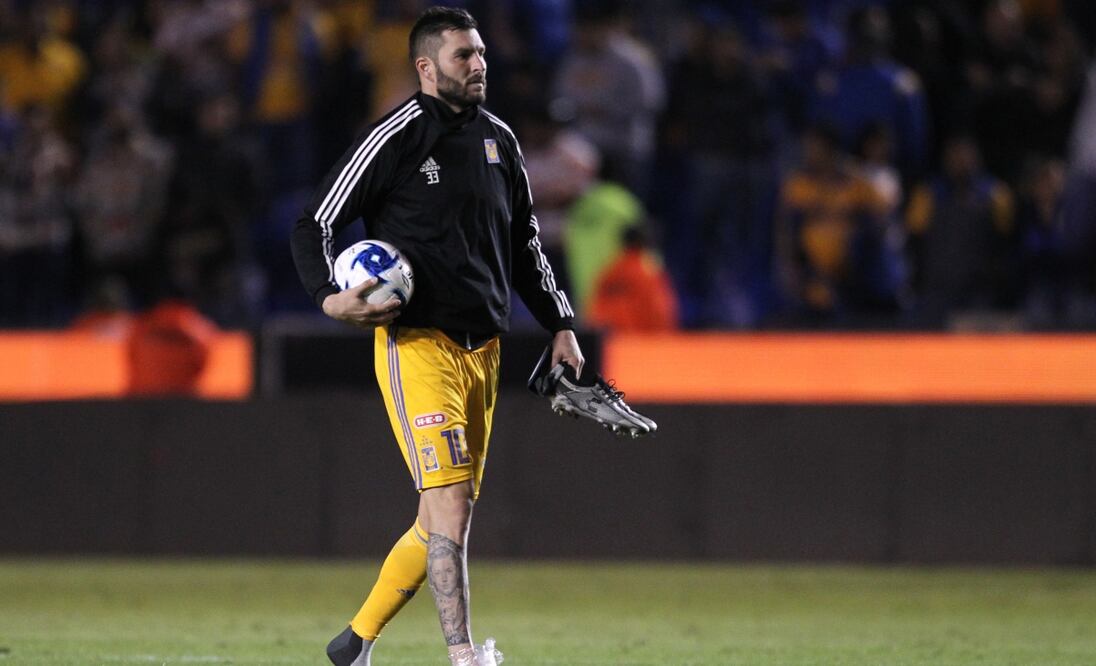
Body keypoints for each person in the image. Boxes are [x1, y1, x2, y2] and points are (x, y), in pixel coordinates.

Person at [290, 8, 582, 666]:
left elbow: (525, 244)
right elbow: (315, 223)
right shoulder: (397, 136)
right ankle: (463, 655)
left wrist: (560, 321)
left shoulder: (500, 141)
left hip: (486, 349)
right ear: (426, 68)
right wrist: (327, 298)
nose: (479, 66)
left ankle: (353, 643)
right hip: (417, 343)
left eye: (481, 54)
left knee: (442, 520)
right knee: (447, 504)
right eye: (462, 57)